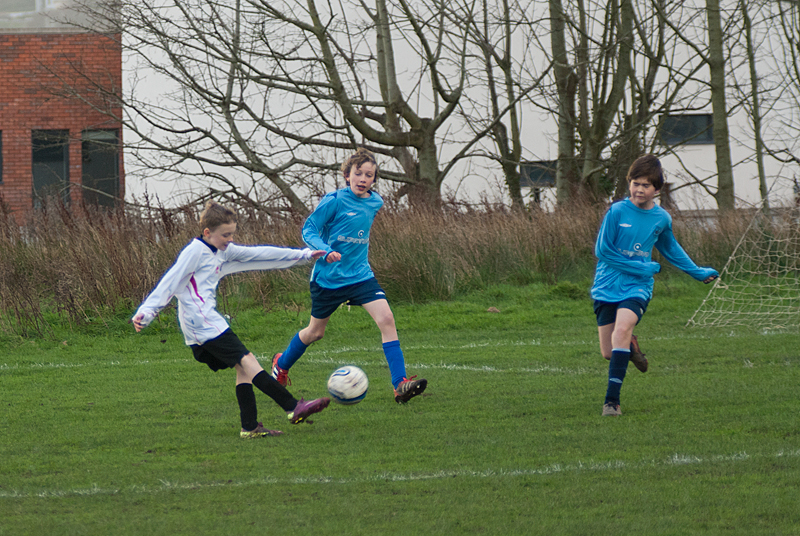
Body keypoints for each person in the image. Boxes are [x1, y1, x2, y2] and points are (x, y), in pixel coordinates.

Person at [132, 200, 331, 438]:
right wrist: (148, 311)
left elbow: (258, 254)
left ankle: (250, 427)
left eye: (232, 234)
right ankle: (292, 407)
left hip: (205, 324)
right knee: (247, 361)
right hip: (202, 323)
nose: (229, 239)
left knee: (243, 368)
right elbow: (171, 280)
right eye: (225, 235)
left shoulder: (222, 250)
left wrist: (305, 255)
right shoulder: (195, 251)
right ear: (207, 232)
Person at [271, 148, 428, 404]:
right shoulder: (333, 200)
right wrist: (325, 251)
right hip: (328, 280)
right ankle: (282, 364)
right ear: (347, 175)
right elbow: (309, 228)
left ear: (374, 180)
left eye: (369, 175)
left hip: (360, 276)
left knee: (387, 318)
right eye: (358, 173)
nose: (363, 179)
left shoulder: (375, 202)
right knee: (315, 333)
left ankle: (400, 384)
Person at [591, 154, 718, 417]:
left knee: (622, 329)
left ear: (657, 190)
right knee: (609, 351)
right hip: (606, 286)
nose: (639, 189)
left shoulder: (661, 218)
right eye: (635, 183)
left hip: (637, 287)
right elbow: (603, 251)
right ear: (629, 183)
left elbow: (671, 248)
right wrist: (641, 266)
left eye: (646, 185)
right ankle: (631, 347)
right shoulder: (616, 212)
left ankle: (611, 402)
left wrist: (696, 272)